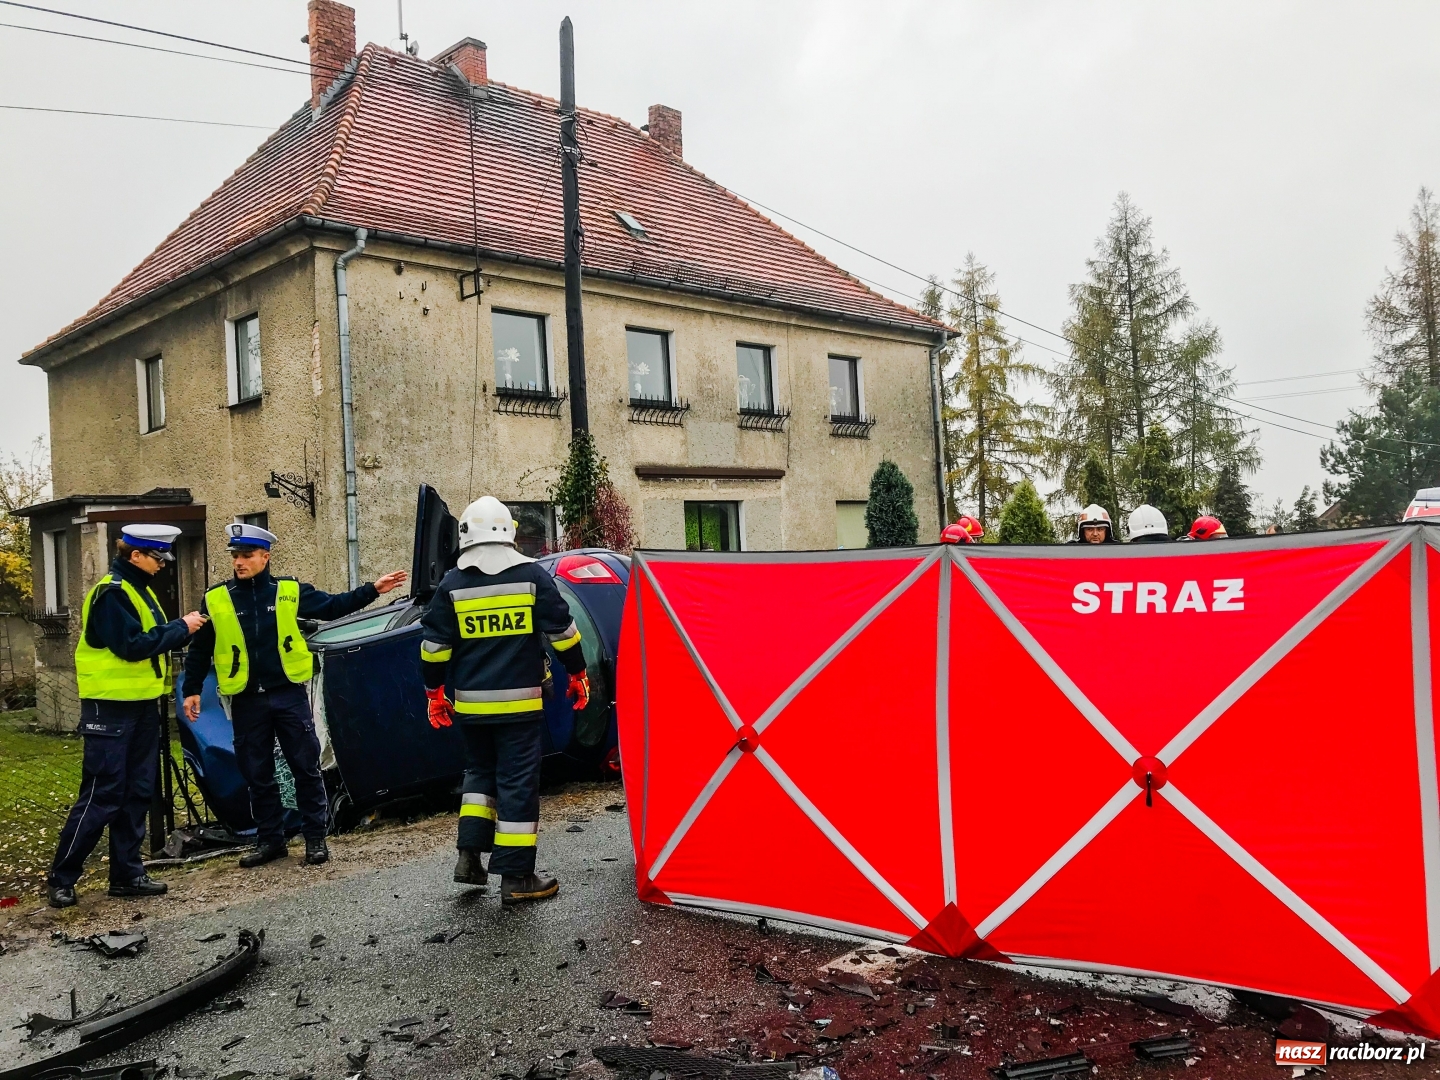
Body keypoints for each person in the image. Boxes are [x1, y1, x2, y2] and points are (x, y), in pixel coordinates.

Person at [182, 523, 407, 868]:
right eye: (235, 557)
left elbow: (332, 606)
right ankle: (271, 841)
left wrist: (372, 590)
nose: (239, 563)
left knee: (305, 767)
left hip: (287, 694)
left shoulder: (288, 591)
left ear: (265, 557)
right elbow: (200, 649)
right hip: (246, 698)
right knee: (257, 774)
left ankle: (315, 839)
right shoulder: (216, 597)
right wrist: (192, 689)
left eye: (246, 556)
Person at [418, 496, 590, 905]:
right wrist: (578, 674)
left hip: (473, 709)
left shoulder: (452, 585)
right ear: (509, 533)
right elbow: (563, 632)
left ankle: (469, 858)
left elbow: (433, 647)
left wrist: (433, 694)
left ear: (466, 538)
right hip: (519, 707)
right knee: (516, 783)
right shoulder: (531, 576)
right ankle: (516, 877)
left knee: (479, 776)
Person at [47, 525, 206, 908]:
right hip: (109, 707)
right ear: (135, 555)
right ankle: (62, 878)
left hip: (141, 705)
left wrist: (181, 630)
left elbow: (149, 641)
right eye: (157, 558)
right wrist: (181, 626)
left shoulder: (139, 590)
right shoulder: (112, 593)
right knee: (103, 794)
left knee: (136, 791)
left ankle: (127, 874)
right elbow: (132, 647)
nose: (162, 566)